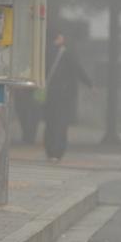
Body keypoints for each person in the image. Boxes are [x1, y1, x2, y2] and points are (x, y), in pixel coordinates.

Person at [43, 32, 92, 163]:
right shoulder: (67, 52)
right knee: (60, 123)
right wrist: (89, 84)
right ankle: (57, 152)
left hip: (49, 94)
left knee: (50, 123)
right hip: (64, 94)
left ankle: (50, 151)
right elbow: (78, 69)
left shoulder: (45, 51)